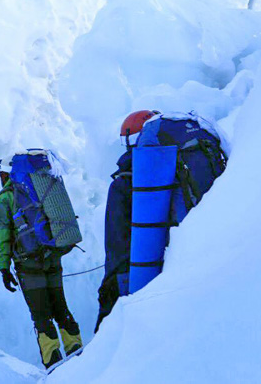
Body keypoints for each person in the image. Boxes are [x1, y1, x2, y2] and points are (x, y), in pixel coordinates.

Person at [95, 110, 227, 331]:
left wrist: (109, 291)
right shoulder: (182, 165)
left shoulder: (124, 183)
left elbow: (117, 242)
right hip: (188, 256)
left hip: (142, 269)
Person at [0, 151, 83, 370]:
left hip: (28, 265)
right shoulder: (38, 190)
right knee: (61, 307)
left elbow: (2, 236)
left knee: (41, 316)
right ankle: (79, 357)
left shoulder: (5, 199)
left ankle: (54, 365)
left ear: (6, 175)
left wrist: (4, 267)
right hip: (52, 258)